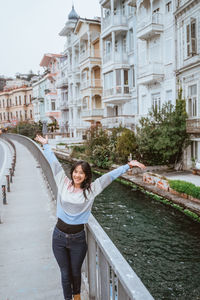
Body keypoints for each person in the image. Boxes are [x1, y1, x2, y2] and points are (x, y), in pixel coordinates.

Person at [34, 134, 146, 300]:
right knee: (65, 274)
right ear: (72, 172)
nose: (77, 175)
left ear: (86, 176)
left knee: (75, 272)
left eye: (82, 173)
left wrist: (128, 166)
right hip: (58, 236)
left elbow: (110, 176)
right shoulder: (62, 182)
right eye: (76, 171)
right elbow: (54, 162)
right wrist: (46, 145)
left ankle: (77, 296)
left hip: (78, 238)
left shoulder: (91, 190)